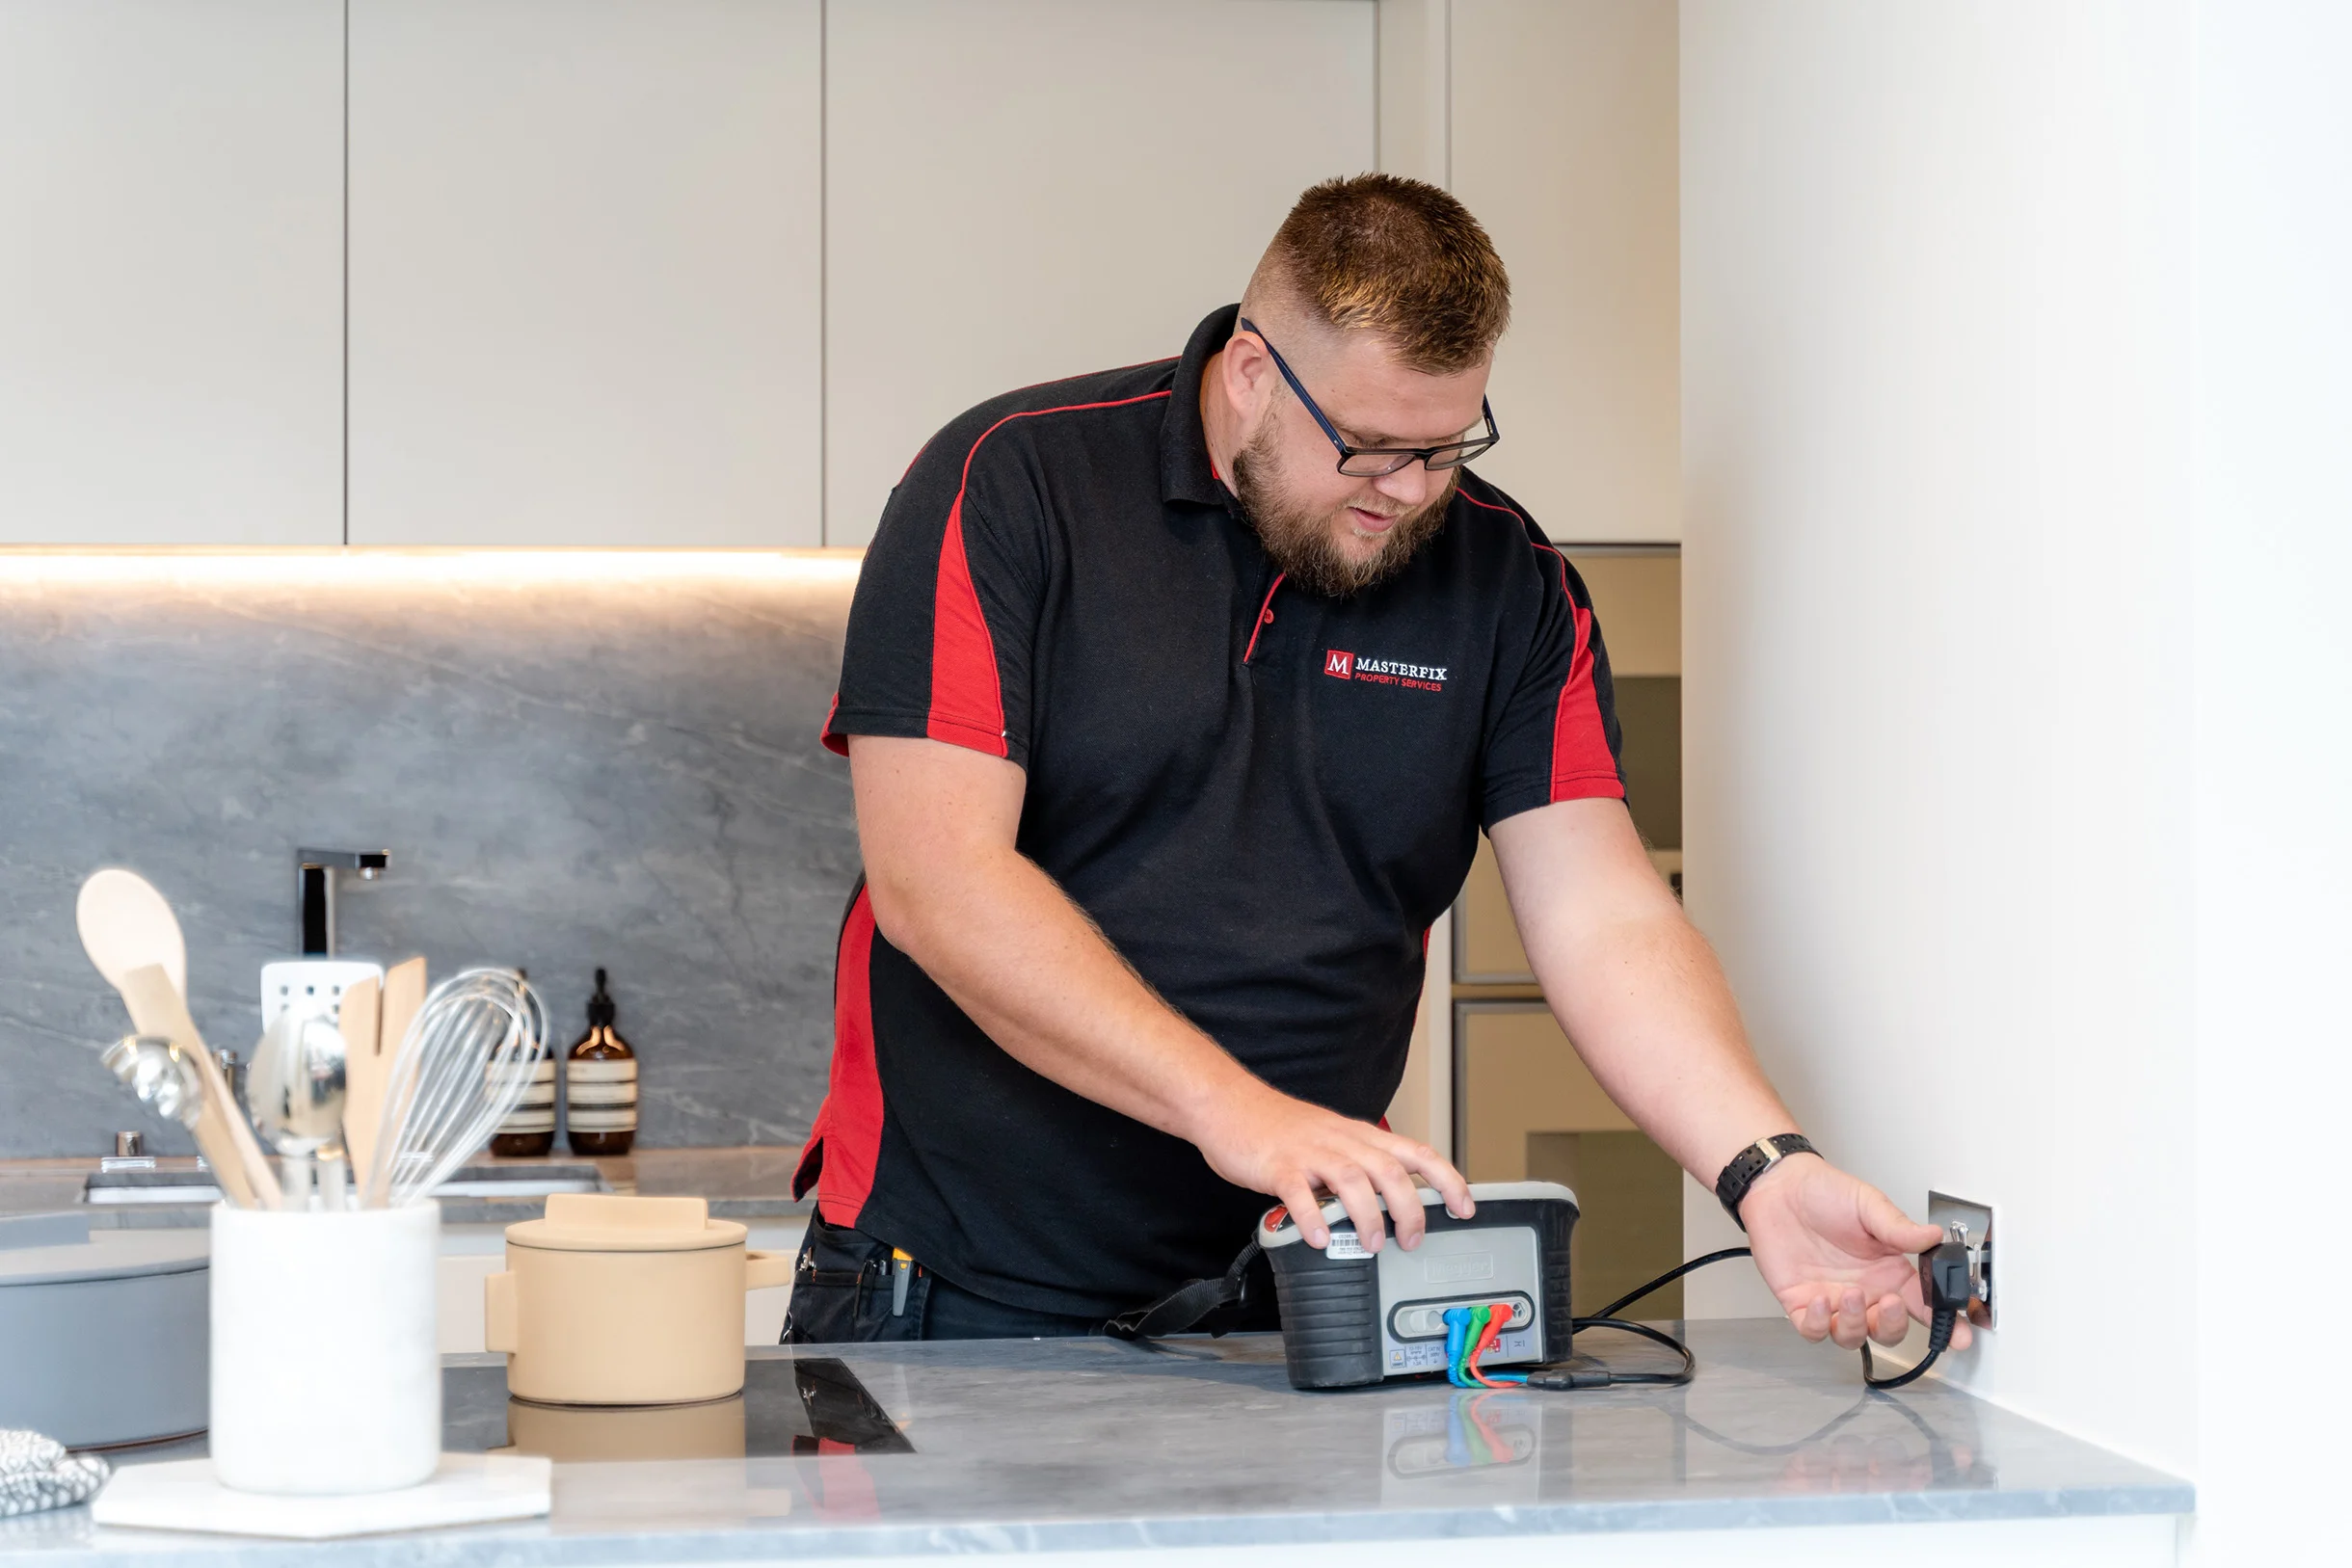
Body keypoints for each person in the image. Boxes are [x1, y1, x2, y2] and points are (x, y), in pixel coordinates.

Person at [783, 174, 1967, 1361]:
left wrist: (1762, 1165)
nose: (1407, 492)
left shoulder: (1509, 585)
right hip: (947, 1282)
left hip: (1303, 1283)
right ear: (1252, 372)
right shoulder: (1010, 486)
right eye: (1369, 446)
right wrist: (1238, 1113)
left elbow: (1605, 917)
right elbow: (936, 878)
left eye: (1445, 446)